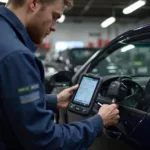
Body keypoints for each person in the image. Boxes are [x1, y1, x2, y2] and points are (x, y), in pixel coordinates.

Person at [0, 0, 120, 149]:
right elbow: (45, 141)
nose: (53, 27)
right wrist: (99, 121)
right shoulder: (17, 56)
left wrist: (53, 100)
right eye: (55, 16)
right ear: (34, 3)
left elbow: (7, 102)